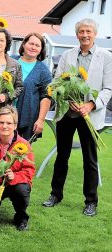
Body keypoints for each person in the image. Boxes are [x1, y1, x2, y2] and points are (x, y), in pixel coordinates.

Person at [43, 19, 112, 217]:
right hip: (67, 113)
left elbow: (108, 88)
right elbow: (57, 82)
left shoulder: (106, 57)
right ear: (77, 35)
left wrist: (91, 105)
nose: (85, 35)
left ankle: (91, 201)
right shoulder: (67, 55)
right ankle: (55, 195)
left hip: (90, 115)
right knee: (61, 156)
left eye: (88, 31)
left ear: (95, 33)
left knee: (90, 160)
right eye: (81, 31)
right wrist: (67, 98)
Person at [14, 33, 52, 140]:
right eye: (31, 43)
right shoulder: (12, 61)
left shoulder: (44, 71)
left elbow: (46, 96)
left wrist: (41, 120)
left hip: (27, 117)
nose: (33, 47)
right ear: (24, 44)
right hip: (6, 115)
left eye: (37, 45)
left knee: (21, 152)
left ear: (41, 49)